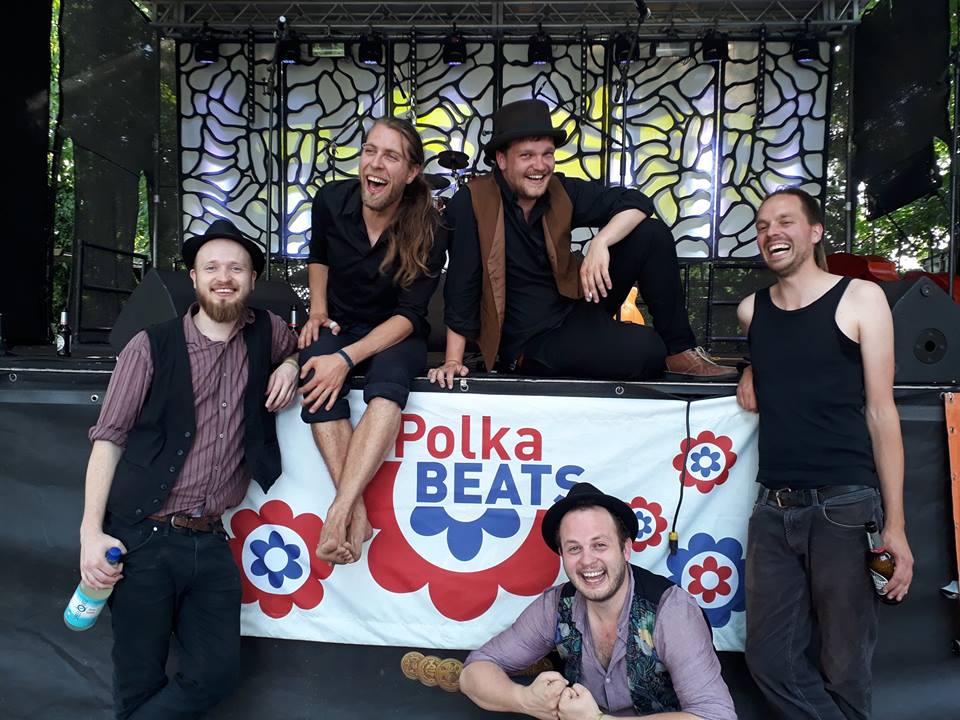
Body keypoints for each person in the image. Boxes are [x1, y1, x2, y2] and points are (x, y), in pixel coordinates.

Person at [79, 218, 299, 719]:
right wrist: (91, 533)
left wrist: (289, 364)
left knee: (216, 675)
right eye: (212, 268)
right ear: (194, 279)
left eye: (236, 268)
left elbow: (304, 347)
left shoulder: (269, 332)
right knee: (138, 680)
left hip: (211, 539)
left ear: (252, 279)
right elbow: (108, 439)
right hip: (142, 537)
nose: (224, 277)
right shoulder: (150, 345)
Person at [736, 187, 914, 719]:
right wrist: (751, 367)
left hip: (845, 506)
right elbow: (787, 356)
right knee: (769, 661)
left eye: (785, 221)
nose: (771, 232)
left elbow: (881, 411)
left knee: (845, 666)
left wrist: (896, 527)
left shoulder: (861, 298)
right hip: (773, 510)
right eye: (762, 225)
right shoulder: (751, 311)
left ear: (814, 232)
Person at [430, 98, 734, 388]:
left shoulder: (560, 190)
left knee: (650, 234)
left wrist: (601, 241)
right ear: (502, 159)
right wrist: (453, 360)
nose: (540, 165)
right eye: (527, 155)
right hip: (531, 341)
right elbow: (461, 284)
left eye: (547, 154)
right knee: (648, 349)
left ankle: (680, 351)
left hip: (576, 307)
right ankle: (633, 348)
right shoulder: (472, 201)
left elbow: (637, 202)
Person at [298, 117, 446, 565]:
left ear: (412, 172)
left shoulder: (432, 228)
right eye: (369, 150)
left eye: (391, 156)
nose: (375, 163)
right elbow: (319, 257)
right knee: (315, 375)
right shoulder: (331, 200)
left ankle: (338, 511)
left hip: (395, 331)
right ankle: (357, 513)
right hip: (340, 323)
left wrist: (346, 359)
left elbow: (410, 315)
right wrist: (317, 312)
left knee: (387, 388)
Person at [459, 482, 737, 720]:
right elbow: (474, 671)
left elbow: (716, 715)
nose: (587, 560)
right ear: (562, 555)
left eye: (599, 545)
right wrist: (524, 699)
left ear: (625, 549)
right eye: (574, 548)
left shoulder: (671, 611)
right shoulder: (555, 606)